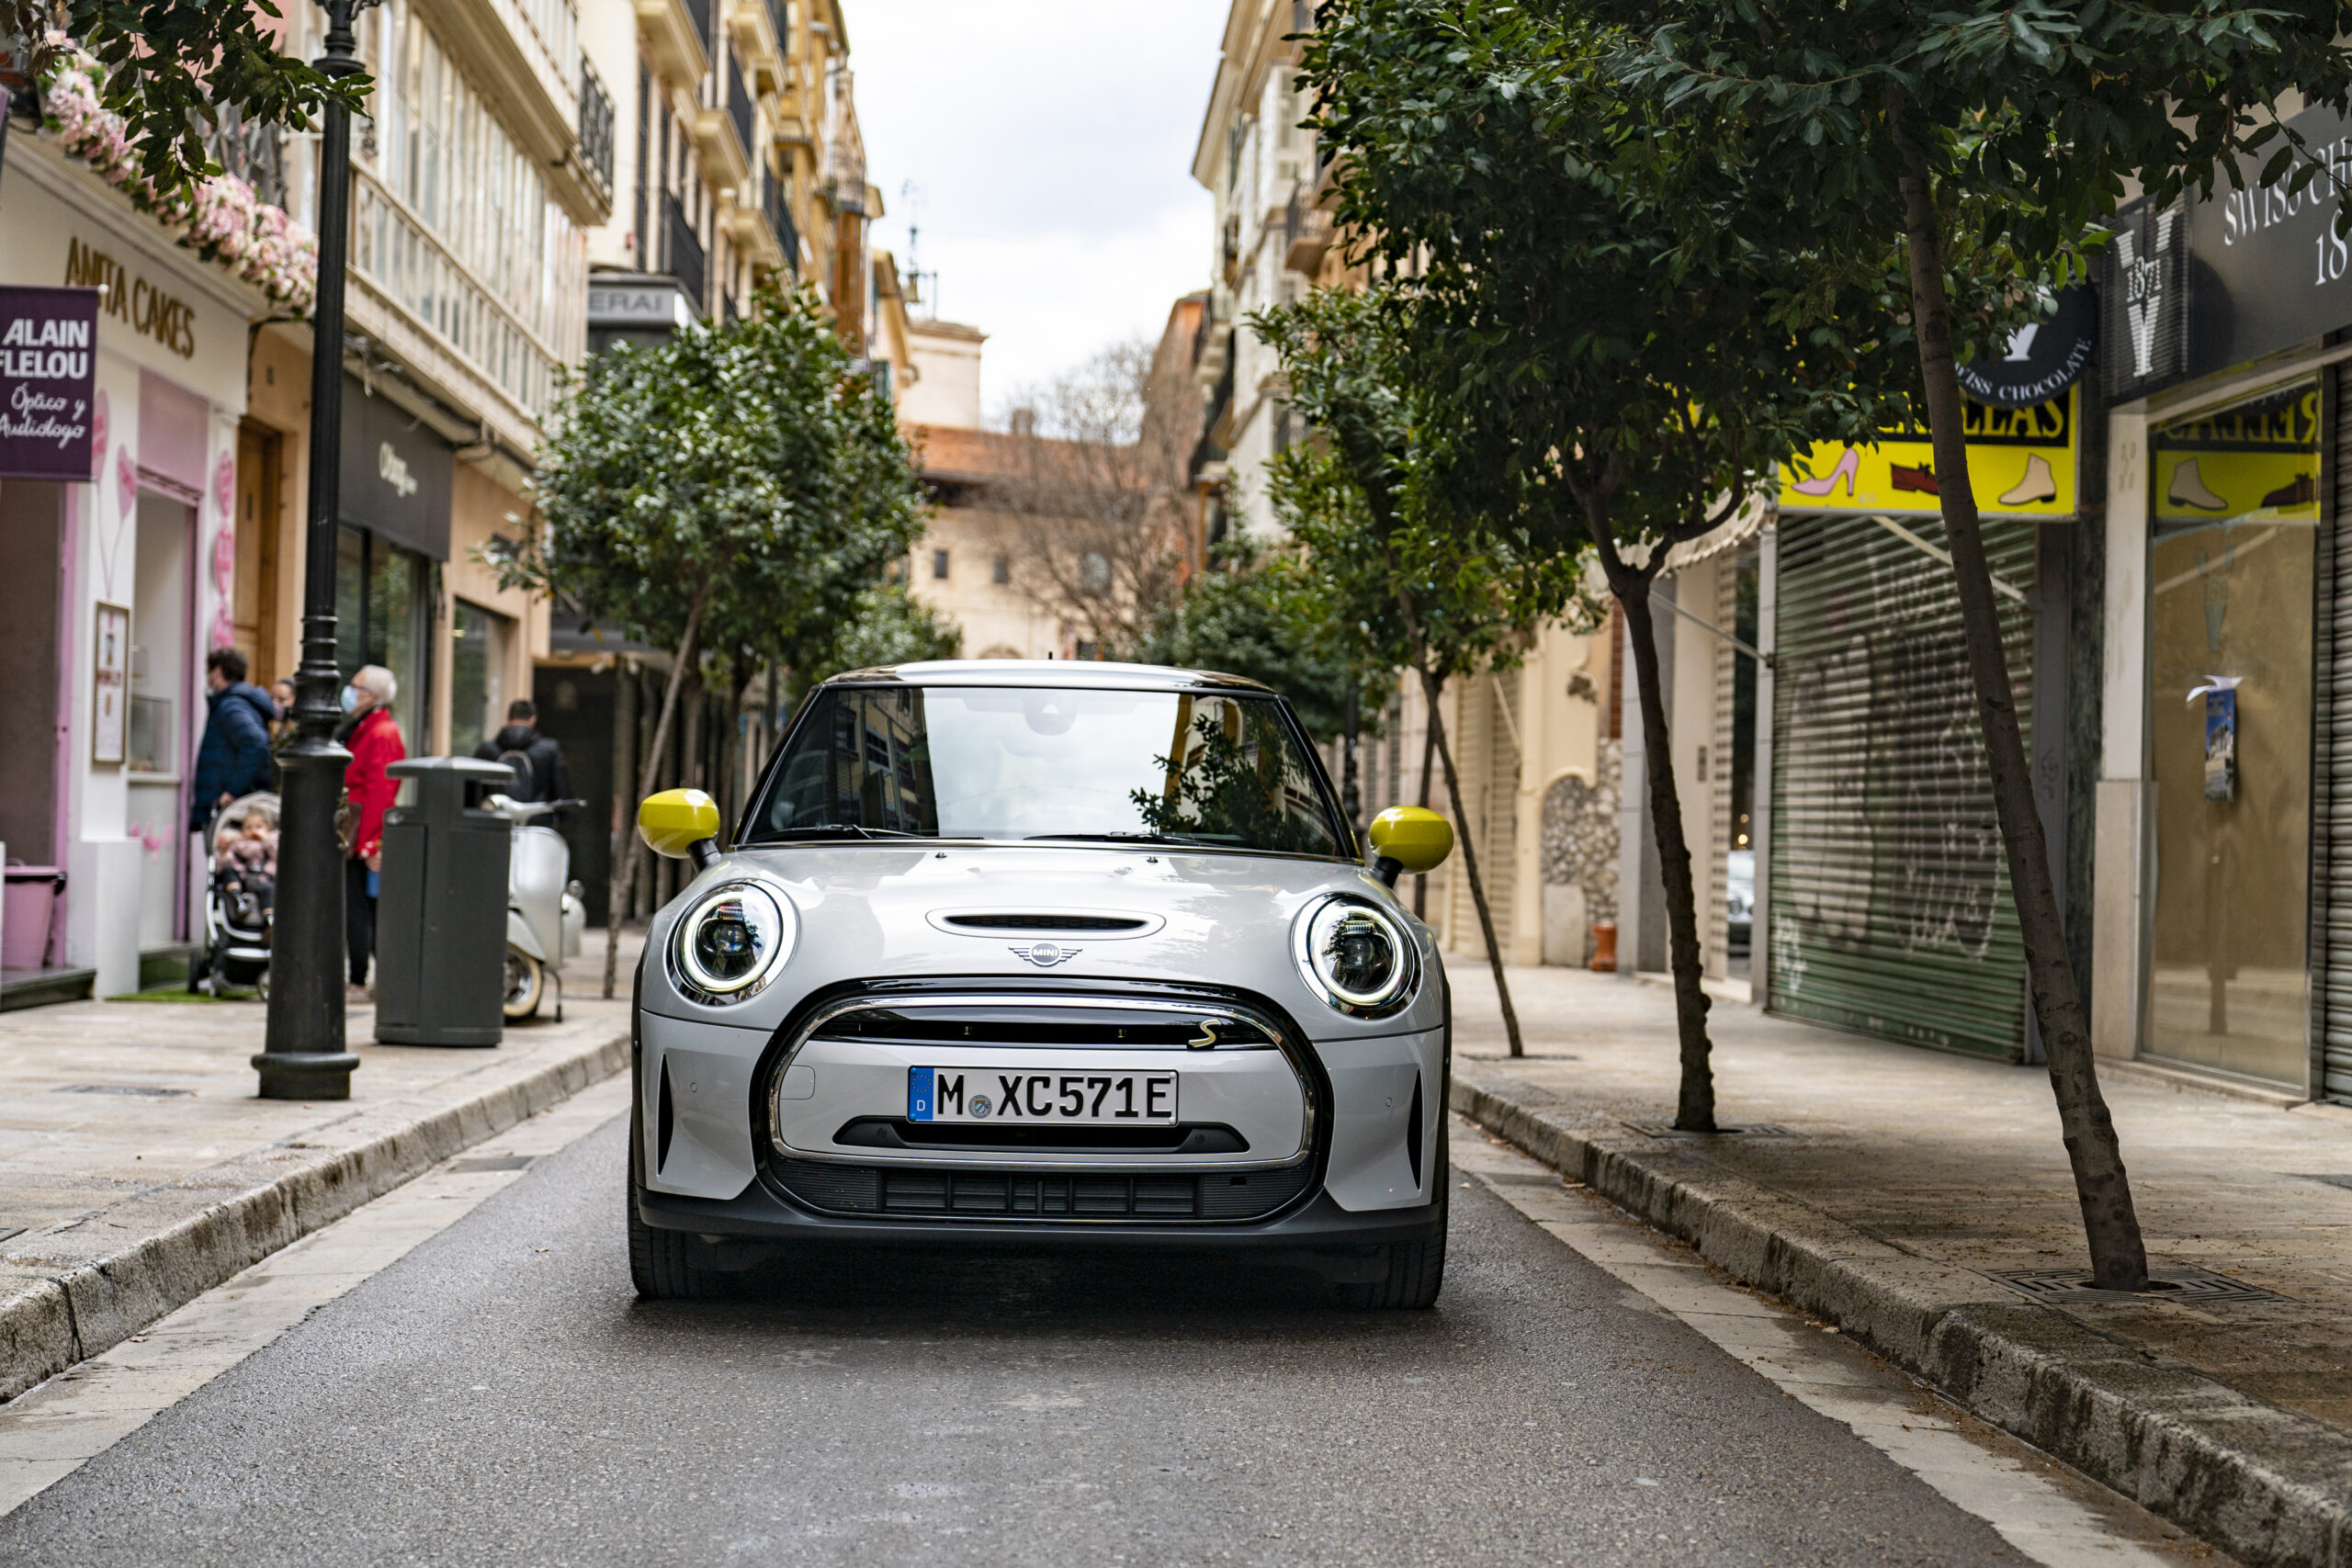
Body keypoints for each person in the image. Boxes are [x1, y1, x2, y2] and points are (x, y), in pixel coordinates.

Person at [339, 664, 406, 995]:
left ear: (371, 695)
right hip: (356, 826)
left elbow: (382, 791)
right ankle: (364, 975)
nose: (349, 692)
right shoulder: (367, 728)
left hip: (363, 831)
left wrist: (371, 843)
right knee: (361, 909)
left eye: (355, 686)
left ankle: (363, 977)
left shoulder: (381, 733)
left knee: (365, 911)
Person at [189, 649, 278, 829]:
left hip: (231, 808)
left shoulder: (231, 705)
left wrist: (232, 791)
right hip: (232, 805)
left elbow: (256, 744)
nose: (208, 678)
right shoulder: (236, 703)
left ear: (218, 672)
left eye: (209, 672)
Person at [472, 698, 571, 803]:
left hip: (497, 815)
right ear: (533, 719)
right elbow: (561, 790)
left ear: (507, 717)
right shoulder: (549, 749)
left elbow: (471, 789)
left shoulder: (487, 750)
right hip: (536, 815)